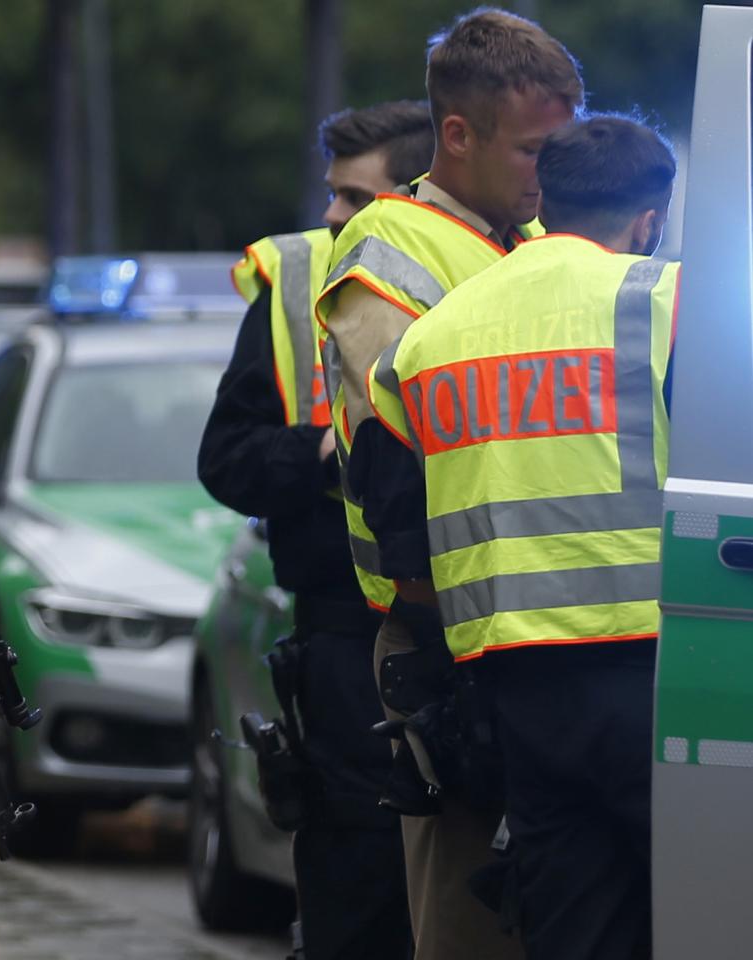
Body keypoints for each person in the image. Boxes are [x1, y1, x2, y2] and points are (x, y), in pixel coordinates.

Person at [359, 114, 676, 960]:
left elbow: (388, 506)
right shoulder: (671, 306)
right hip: (662, 674)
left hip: (515, 689)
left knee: (573, 928)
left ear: (548, 200)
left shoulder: (432, 338)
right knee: (697, 915)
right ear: (648, 220)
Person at [314, 8, 583, 957]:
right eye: (533, 150)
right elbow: (398, 455)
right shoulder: (388, 246)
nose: (548, 173)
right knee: (469, 931)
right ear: (457, 135)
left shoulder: (537, 232)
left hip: (539, 634)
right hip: (444, 634)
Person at [202, 98, 432, 960]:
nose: (331, 214)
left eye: (352, 196)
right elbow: (226, 459)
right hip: (341, 643)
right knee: (357, 894)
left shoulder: (499, 264)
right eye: (330, 192)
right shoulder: (296, 280)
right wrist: (325, 456)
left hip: (468, 632)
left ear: (414, 195)